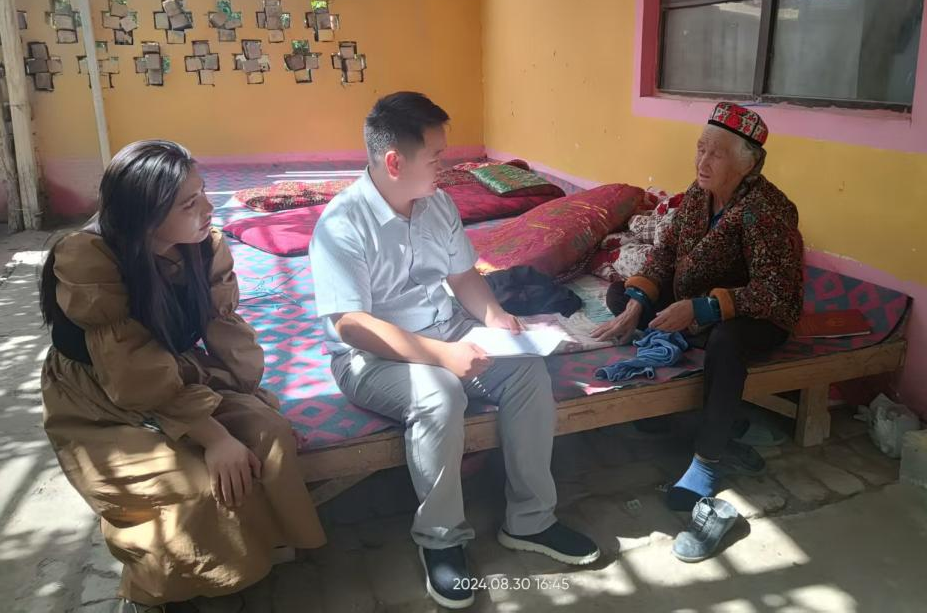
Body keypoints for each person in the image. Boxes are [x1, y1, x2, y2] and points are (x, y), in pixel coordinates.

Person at [310, 92, 599, 610]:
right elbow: (351, 325)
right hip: (370, 356)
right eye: (436, 157)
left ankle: (531, 520)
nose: (446, 166)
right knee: (439, 393)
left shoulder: (437, 204)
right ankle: (441, 539)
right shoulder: (341, 224)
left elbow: (464, 277)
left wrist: (494, 317)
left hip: (447, 329)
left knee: (527, 370)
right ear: (394, 162)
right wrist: (443, 357)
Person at [39, 140, 326, 612]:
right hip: (98, 392)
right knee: (191, 483)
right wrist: (214, 436)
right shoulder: (89, 258)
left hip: (172, 371)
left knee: (269, 433)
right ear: (144, 216)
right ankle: (160, 591)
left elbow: (224, 332)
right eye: (189, 203)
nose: (208, 209)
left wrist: (249, 399)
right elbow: (130, 369)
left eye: (203, 192)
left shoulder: (204, 247)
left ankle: (251, 556)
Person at [593, 102, 804, 514]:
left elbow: (775, 290)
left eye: (717, 154)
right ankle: (676, 393)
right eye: (700, 148)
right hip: (698, 301)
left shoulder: (766, 210)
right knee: (621, 295)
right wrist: (638, 304)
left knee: (726, 342)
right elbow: (666, 252)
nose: (702, 162)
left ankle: (707, 460)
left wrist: (701, 310)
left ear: (748, 164)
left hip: (757, 315)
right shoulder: (698, 194)